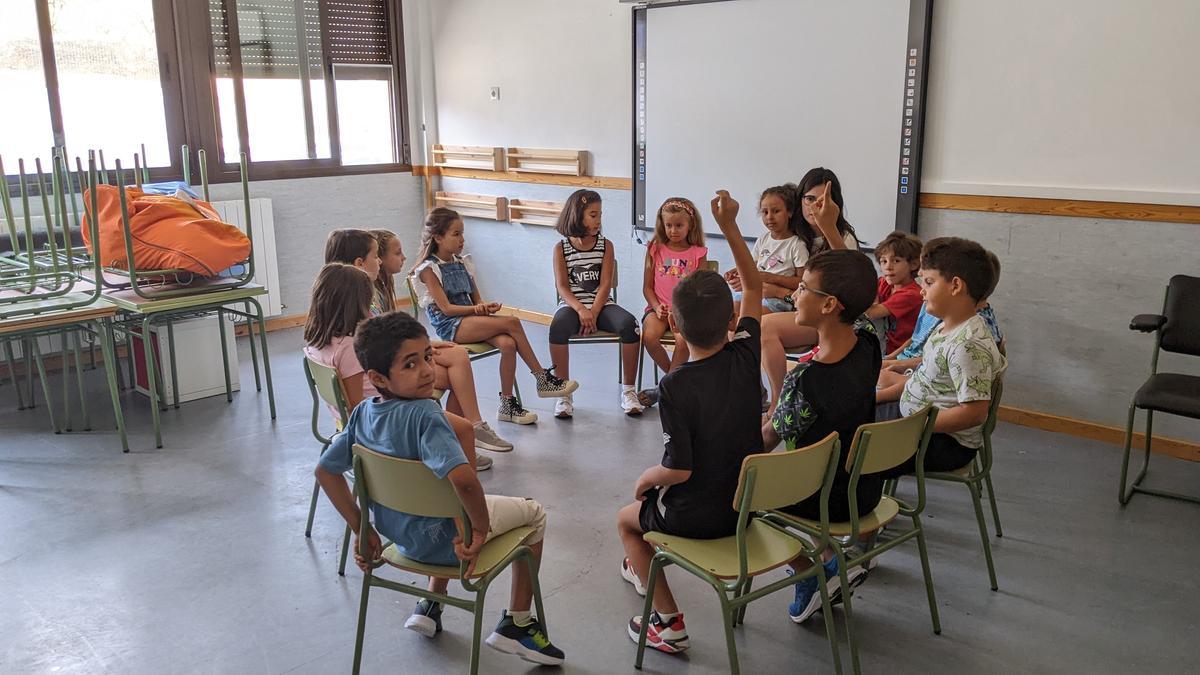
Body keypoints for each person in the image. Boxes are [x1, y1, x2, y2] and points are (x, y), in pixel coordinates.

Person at [313, 312, 565, 665]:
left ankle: (430, 603)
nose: (427, 370)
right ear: (378, 377)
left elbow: (325, 472)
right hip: (453, 546)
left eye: (427, 357)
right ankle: (517, 623)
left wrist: (361, 527)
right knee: (534, 515)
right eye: (410, 364)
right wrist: (477, 528)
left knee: (438, 497)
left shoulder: (362, 416)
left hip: (401, 538)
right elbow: (463, 479)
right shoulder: (425, 417)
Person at [615, 189, 761, 655]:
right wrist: (731, 225)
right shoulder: (746, 353)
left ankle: (669, 623)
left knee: (626, 519)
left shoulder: (675, 385)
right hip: (746, 505)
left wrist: (643, 479)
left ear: (674, 323)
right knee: (648, 511)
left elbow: (677, 470)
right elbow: (754, 287)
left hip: (700, 516)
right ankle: (649, 568)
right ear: (732, 320)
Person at [760, 249, 882, 623]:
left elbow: (764, 441)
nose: (795, 295)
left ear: (829, 304)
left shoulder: (806, 379)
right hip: (862, 490)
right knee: (812, 464)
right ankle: (831, 557)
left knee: (741, 491)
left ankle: (811, 570)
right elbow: (858, 294)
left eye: (802, 288)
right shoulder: (869, 342)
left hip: (825, 500)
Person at [303, 263, 509, 463]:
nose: (370, 306)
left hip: (373, 409)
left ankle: (451, 447)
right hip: (389, 415)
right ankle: (454, 458)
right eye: (368, 301)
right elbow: (356, 406)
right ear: (354, 304)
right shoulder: (347, 347)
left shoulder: (317, 342)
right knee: (463, 427)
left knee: (453, 376)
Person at [412, 208, 578, 424]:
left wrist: (484, 307)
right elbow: (447, 309)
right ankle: (541, 379)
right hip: (451, 326)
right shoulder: (429, 269)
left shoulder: (462, 262)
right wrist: (476, 310)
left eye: (462, 233)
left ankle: (507, 405)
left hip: (469, 320)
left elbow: (476, 300)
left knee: (508, 344)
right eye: (456, 234)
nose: (462, 239)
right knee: (513, 322)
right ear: (438, 237)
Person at [885, 237, 1007, 474]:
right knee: (850, 422)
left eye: (929, 282)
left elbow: (973, 413)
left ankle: (854, 502)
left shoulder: (969, 345)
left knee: (854, 447)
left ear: (956, 286)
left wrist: (914, 427)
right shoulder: (947, 326)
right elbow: (933, 371)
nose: (922, 290)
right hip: (917, 420)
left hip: (942, 441)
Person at [759, 168, 860, 415]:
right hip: (798, 310)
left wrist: (776, 290)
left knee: (764, 328)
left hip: (829, 320)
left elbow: (851, 282)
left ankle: (778, 403)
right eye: (809, 199)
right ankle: (759, 395)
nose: (815, 206)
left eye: (823, 200)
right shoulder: (795, 237)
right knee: (744, 323)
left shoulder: (843, 238)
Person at [548, 190, 644, 418]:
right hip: (572, 307)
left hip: (601, 306)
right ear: (577, 215)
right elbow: (562, 287)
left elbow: (605, 285)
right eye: (593, 214)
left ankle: (629, 392)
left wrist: (592, 311)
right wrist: (581, 310)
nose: (598, 220)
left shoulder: (606, 245)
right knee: (557, 328)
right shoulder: (561, 248)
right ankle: (563, 394)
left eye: (600, 214)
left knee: (631, 325)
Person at [640, 197, 708, 380]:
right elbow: (647, 288)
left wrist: (682, 310)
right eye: (669, 225)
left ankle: (670, 384)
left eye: (679, 225)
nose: (673, 230)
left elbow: (700, 289)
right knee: (649, 337)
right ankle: (674, 380)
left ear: (690, 225)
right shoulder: (655, 249)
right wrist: (656, 307)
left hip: (685, 311)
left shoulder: (698, 253)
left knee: (683, 342)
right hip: (658, 310)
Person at [726, 184, 805, 314]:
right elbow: (752, 266)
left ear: (790, 212)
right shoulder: (763, 239)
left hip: (777, 300)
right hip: (755, 291)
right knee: (732, 312)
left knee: (749, 318)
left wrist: (769, 277)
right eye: (765, 212)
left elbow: (802, 282)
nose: (769, 217)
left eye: (776, 211)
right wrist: (735, 272)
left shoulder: (796, 245)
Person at [863, 231, 924, 354]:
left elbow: (871, 313)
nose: (888, 267)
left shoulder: (911, 294)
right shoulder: (884, 283)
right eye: (883, 261)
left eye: (896, 261)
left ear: (913, 264)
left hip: (896, 350)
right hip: (880, 340)